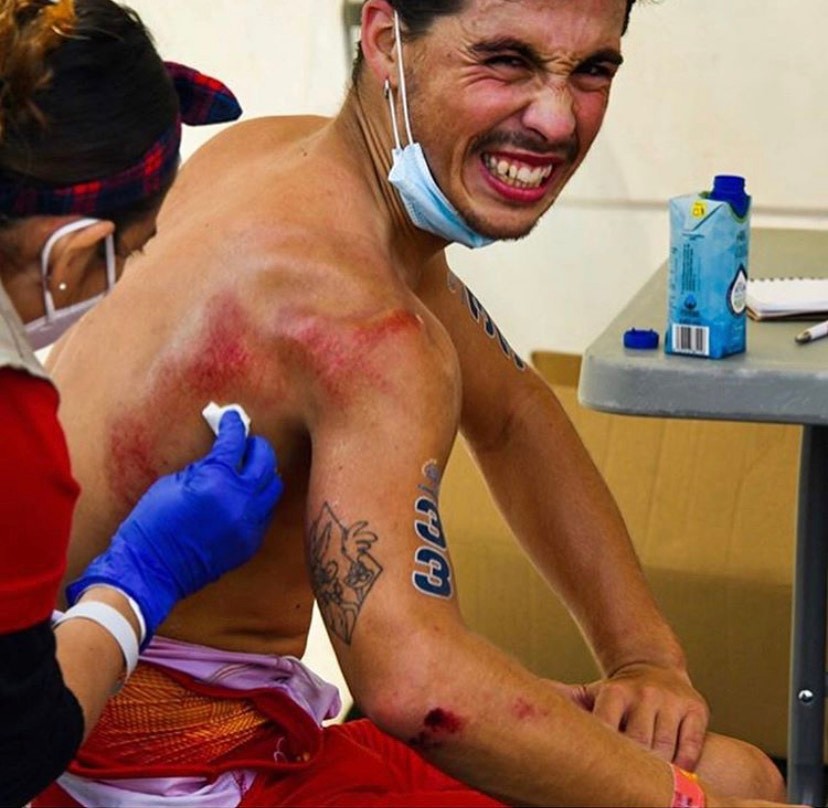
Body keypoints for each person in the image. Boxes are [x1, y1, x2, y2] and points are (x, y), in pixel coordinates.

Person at [38, 1, 798, 806]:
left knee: (740, 773)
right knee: (724, 789)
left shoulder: (269, 154)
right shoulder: (363, 328)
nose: (555, 118)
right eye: (505, 60)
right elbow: (417, 688)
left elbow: (514, 415)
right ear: (383, 42)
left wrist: (646, 659)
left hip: (116, 709)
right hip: (151, 774)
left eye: (593, 70)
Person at [0, 1, 283, 805]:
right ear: (73, 253)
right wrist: (137, 581)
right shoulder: (12, 423)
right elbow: (15, 748)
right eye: (134, 248)